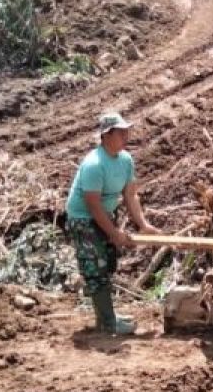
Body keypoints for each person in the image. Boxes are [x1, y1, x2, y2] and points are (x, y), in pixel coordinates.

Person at [65, 113, 161, 335]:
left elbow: (130, 195)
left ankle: (106, 315)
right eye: (121, 132)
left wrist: (143, 224)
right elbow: (92, 204)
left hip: (105, 214)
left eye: (127, 131)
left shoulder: (126, 160)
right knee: (95, 266)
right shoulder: (94, 164)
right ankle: (108, 322)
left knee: (107, 263)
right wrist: (114, 232)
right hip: (84, 219)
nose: (126, 136)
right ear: (106, 136)